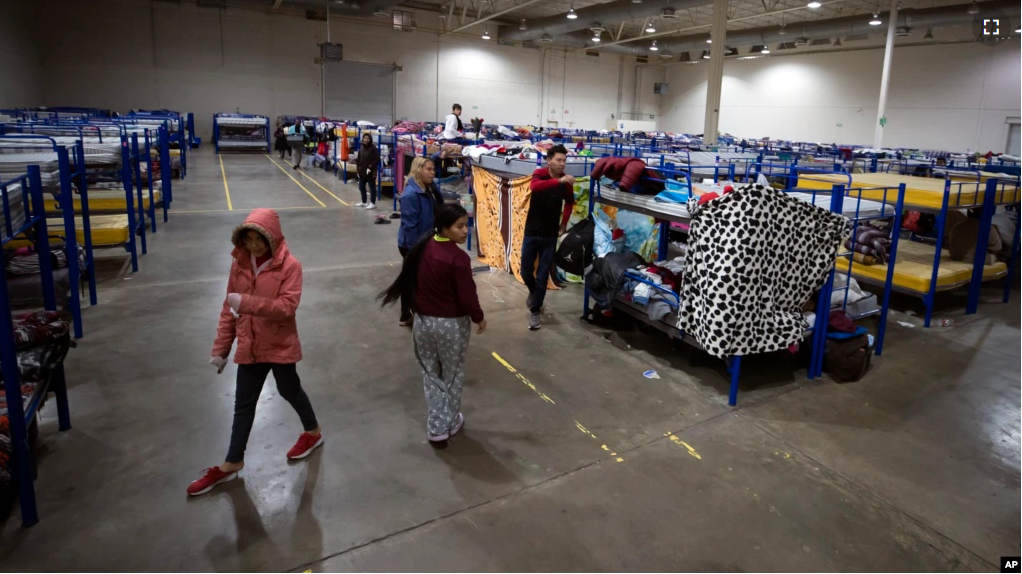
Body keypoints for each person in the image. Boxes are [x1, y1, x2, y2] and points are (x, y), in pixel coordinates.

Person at [188, 208, 323, 496]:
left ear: (272, 237)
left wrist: (247, 303)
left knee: (290, 390)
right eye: (248, 240)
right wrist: (221, 348)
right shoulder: (239, 264)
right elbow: (229, 307)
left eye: (258, 239)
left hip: (278, 343)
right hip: (249, 345)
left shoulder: (290, 267)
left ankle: (312, 432)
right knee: (243, 404)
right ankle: (232, 461)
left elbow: (286, 308)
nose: (253, 246)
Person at [378, 204, 486, 443]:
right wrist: (479, 317)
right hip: (452, 326)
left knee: (431, 373)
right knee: (452, 374)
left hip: (423, 324)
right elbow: (468, 296)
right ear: (445, 228)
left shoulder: (423, 248)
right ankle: (447, 422)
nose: (465, 231)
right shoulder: (457, 259)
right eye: (459, 226)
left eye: (466, 225)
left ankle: (437, 427)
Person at [522, 144, 575, 331]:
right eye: (558, 160)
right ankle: (534, 292)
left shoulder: (565, 182)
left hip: (550, 235)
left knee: (543, 275)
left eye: (564, 160)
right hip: (531, 232)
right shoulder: (540, 174)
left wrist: (564, 223)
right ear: (549, 160)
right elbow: (535, 187)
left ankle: (535, 311)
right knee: (525, 272)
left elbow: (569, 202)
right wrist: (559, 182)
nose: (562, 164)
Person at [397, 156, 445, 326]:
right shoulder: (411, 195)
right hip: (413, 244)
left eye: (433, 169)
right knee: (413, 279)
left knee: (413, 279)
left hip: (426, 240)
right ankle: (409, 314)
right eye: (429, 169)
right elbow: (409, 227)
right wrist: (414, 253)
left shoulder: (427, 187)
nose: (433, 173)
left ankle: (410, 313)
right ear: (418, 171)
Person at [355, 133, 380, 210]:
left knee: (372, 187)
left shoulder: (373, 149)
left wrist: (370, 167)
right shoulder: (361, 147)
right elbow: (359, 158)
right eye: (365, 138)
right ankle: (364, 201)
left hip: (370, 171)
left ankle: (372, 203)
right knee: (361, 186)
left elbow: (377, 159)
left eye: (368, 138)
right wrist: (358, 169)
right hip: (362, 171)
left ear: (370, 139)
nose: (366, 140)